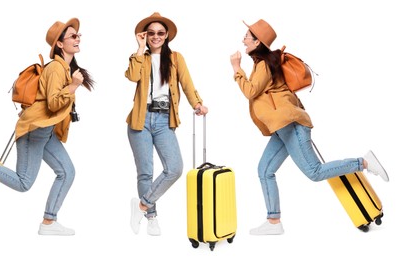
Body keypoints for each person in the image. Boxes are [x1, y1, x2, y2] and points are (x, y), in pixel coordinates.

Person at [229, 19, 389, 235]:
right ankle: (274, 222)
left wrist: (236, 68)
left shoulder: (264, 65)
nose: (243, 39)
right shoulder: (263, 64)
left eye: (247, 36)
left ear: (257, 41)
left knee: (314, 172)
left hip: (290, 124)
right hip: (282, 127)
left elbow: (250, 91)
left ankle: (364, 162)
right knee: (265, 170)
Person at [0, 17, 94, 236]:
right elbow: (54, 102)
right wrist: (74, 86)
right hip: (34, 131)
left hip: (45, 132)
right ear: (60, 44)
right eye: (73, 36)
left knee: (67, 172)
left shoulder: (65, 68)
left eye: (79, 35)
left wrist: (73, 84)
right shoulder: (57, 68)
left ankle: (49, 222)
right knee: (23, 183)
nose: (78, 39)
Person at [125, 12, 208, 236]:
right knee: (145, 173)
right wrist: (139, 48)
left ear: (167, 35)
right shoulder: (139, 57)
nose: (155, 36)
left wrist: (197, 103)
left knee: (174, 169)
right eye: (150, 33)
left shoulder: (176, 58)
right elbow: (132, 77)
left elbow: (187, 84)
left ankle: (141, 206)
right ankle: (151, 217)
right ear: (145, 35)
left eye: (160, 33)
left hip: (164, 120)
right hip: (140, 120)